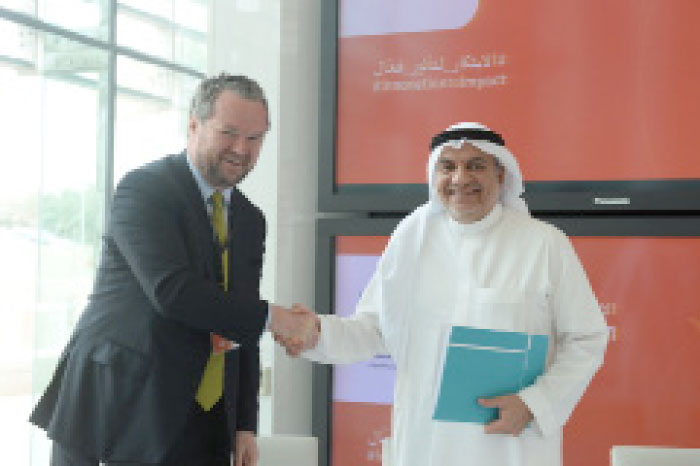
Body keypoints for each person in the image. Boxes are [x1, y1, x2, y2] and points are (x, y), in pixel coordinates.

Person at [282, 122, 609, 466]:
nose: (460, 179)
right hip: (427, 445)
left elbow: (586, 339)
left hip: (510, 447)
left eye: (476, 166)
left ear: (501, 175)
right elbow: (375, 329)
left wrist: (535, 403)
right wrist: (316, 333)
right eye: (448, 166)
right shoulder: (411, 239)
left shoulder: (544, 244)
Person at [30, 73, 315, 466]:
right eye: (229, 132)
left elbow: (241, 317)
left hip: (205, 414)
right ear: (193, 124)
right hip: (121, 403)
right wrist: (276, 318)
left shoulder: (251, 219)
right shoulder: (144, 190)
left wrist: (245, 422)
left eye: (255, 138)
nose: (241, 149)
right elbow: (173, 291)